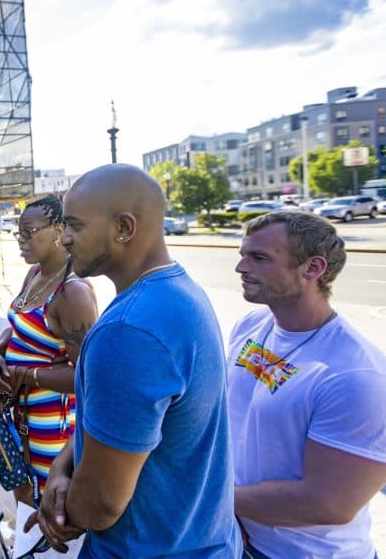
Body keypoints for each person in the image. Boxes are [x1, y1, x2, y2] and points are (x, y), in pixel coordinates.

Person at [29, 164, 241, 557]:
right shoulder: (177, 291)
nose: (66, 238)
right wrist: (62, 466)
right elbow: (123, 424)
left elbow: (99, 505)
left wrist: (56, 512)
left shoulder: (129, 331)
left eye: (74, 225)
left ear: (124, 228)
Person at [229, 210, 386, 558]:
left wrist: (217, 502)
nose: (241, 268)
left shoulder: (357, 377)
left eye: (259, 258)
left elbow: (329, 503)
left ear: (313, 268)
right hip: (240, 540)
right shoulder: (251, 324)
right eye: (243, 255)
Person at [0, 196, 98, 529]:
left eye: (29, 231)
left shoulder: (72, 292)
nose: (20, 239)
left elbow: (87, 376)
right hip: (22, 419)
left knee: (49, 513)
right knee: (24, 502)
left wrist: (26, 375)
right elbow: (19, 325)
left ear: (59, 230)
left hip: (55, 428)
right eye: (17, 231)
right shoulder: (35, 274)